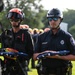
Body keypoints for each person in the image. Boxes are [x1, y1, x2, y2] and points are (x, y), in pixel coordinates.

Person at [33, 8, 75, 75]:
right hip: (45, 72)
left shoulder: (67, 37)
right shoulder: (41, 37)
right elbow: (34, 57)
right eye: (50, 19)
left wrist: (58, 56)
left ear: (60, 20)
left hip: (62, 72)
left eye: (55, 19)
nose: (52, 21)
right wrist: (45, 53)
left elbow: (74, 56)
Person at [1, 8, 34, 75]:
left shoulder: (26, 34)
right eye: (11, 20)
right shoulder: (6, 34)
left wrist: (18, 55)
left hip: (20, 67)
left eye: (16, 20)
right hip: (7, 68)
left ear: (20, 20)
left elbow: (31, 52)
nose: (13, 22)